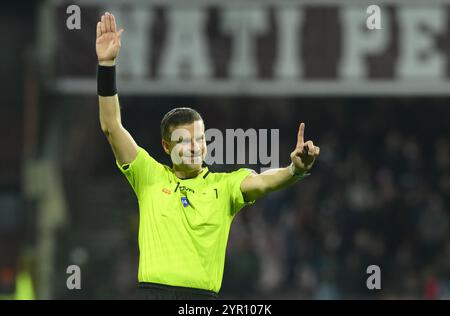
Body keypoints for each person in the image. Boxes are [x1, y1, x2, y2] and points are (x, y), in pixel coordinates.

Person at [95, 12, 320, 300]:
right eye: (183, 140)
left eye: (199, 139)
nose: (193, 146)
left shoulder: (224, 186)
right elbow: (111, 126)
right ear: (166, 147)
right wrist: (106, 64)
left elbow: (263, 181)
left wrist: (294, 170)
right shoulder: (148, 175)